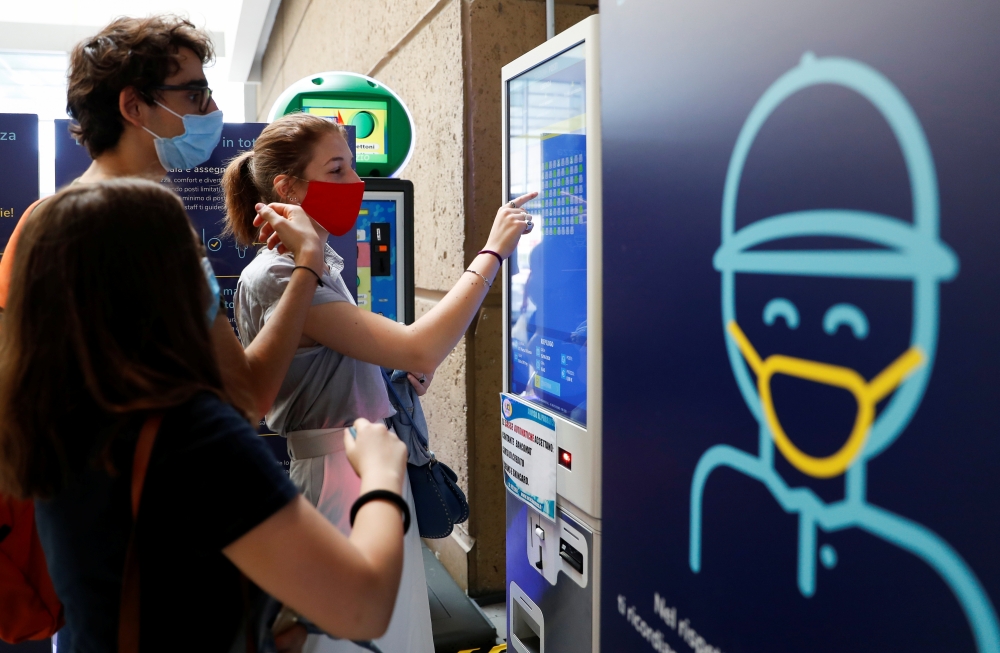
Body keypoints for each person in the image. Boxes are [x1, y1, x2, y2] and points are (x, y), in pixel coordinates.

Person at [0, 178, 411, 652]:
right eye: (193, 259)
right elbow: (363, 605)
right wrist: (382, 475)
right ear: (159, 285)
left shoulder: (54, 413)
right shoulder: (191, 436)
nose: (206, 274)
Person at [221, 112, 535, 652]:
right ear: (287, 188)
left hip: (362, 469)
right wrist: (492, 252)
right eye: (338, 168)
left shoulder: (317, 263)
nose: (357, 184)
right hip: (336, 478)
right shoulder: (279, 273)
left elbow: (352, 358)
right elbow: (420, 343)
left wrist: (388, 372)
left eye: (353, 167)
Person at [0, 15, 323, 419]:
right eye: (194, 94)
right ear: (133, 106)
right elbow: (246, 396)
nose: (214, 110)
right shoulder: (153, 226)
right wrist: (308, 263)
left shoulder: (38, 219)